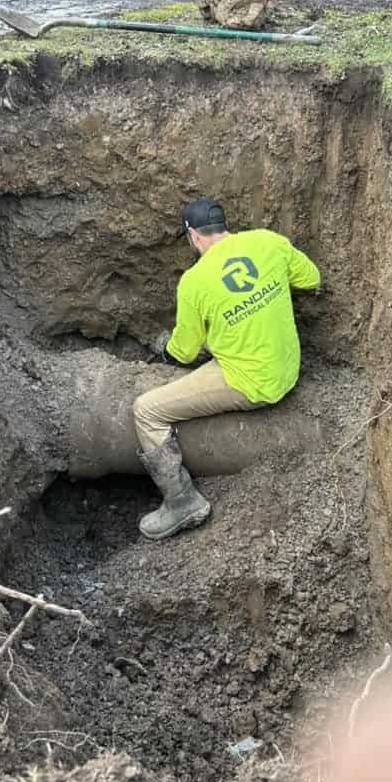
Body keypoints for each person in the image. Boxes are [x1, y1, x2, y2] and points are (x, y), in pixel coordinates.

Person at [133, 198, 320, 541]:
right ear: (223, 226)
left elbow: (185, 351)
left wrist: (166, 351)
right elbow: (311, 278)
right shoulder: (267, 241)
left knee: (146, 410)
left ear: (193, 235)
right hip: (288, 366)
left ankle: (181, 502)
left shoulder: (194, 282)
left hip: (253, 382)